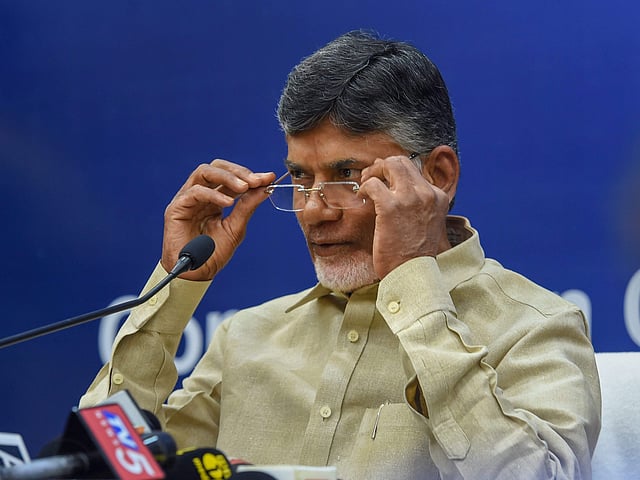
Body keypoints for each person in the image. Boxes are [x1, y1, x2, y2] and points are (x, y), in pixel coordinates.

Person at [80, 30, 601, 479]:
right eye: (300, 177)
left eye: (347, 176)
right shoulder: (247, 337)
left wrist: (414, 286)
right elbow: (107, 464)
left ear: (438, 176)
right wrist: (176, 287)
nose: (313, 210)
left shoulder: (533, 327)